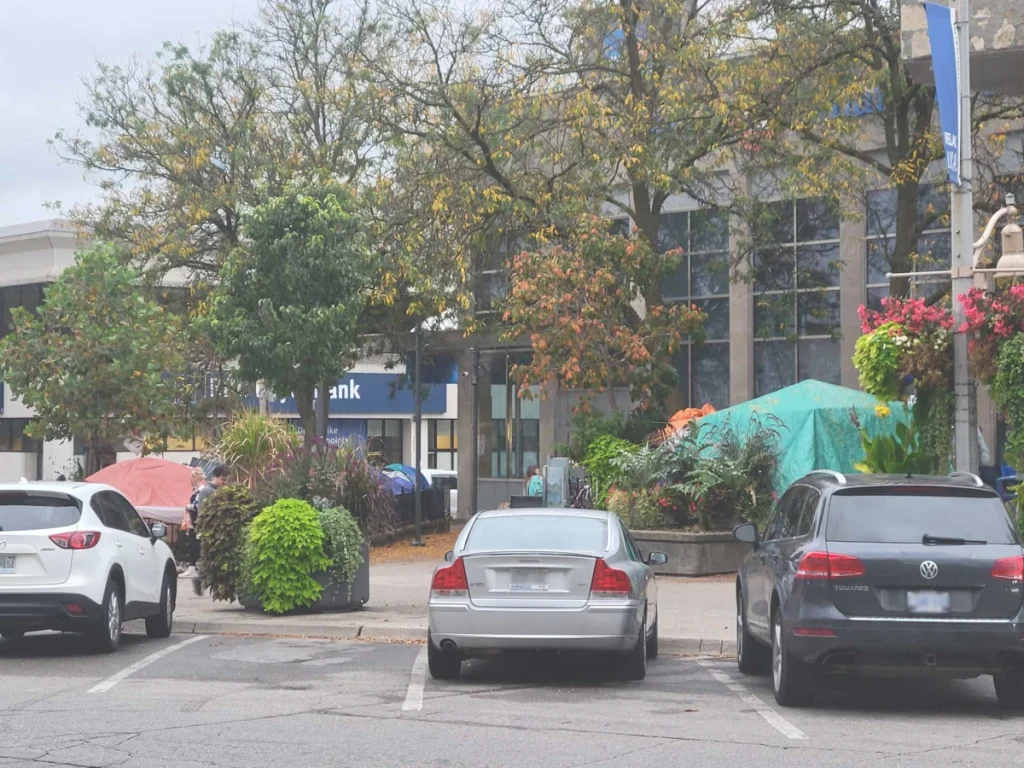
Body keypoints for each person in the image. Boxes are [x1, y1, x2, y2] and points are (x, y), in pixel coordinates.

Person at [190, 466, 230, 595]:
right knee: (210, 556)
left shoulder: (224, 490)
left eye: (226, 480)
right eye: (223, 479)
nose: (224, 482)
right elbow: (201, 511)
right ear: (215, 477)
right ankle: (200, 579)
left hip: (222, 528)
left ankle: (205, 580)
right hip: (210, 530)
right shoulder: (206, 491)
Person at [180, 468, 206, 578]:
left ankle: (194, 567)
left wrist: (188, 506)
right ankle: (192, 566)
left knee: (195, 543)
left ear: (195, 478)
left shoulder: (201, 491)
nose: (190, 480)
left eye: (191, 477)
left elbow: (198, 505)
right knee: (192, 543)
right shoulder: (196, 490)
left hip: (197, 521)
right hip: (193, 521)